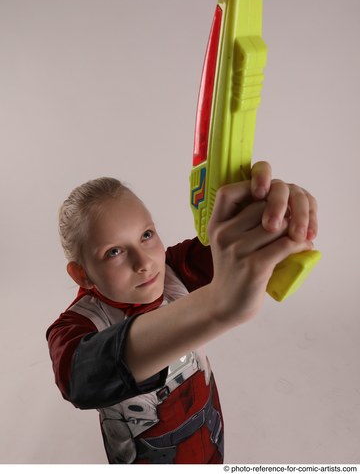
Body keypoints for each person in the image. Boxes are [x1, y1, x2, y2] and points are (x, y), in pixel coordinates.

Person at [46, 161, 317, 464]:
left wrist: (273, 217)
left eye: (147, 235)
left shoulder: (175, 268)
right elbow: (81, 377)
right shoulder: (76, 327)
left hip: (208, 438)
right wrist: (216, 305)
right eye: (113, 252)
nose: (144, 262)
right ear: (82, 275)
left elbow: (231, 247)